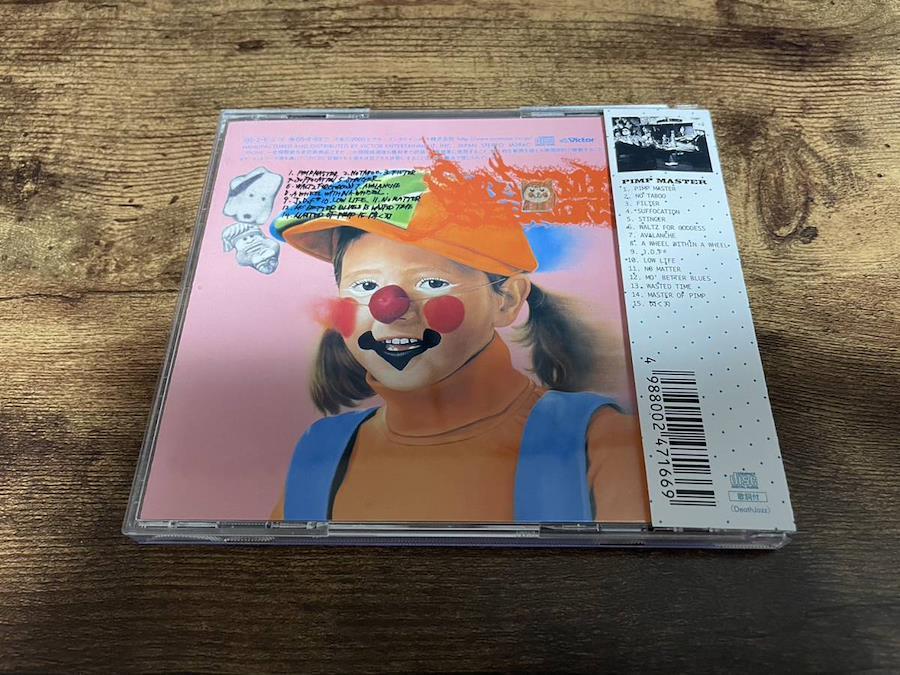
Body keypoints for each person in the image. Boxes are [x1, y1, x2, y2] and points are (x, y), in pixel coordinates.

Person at [268, 166, 650, 524]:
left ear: (507, 300)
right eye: (365, 286)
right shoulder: (320, 452)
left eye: (432, 283)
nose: (390, 310)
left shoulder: (600, 443)